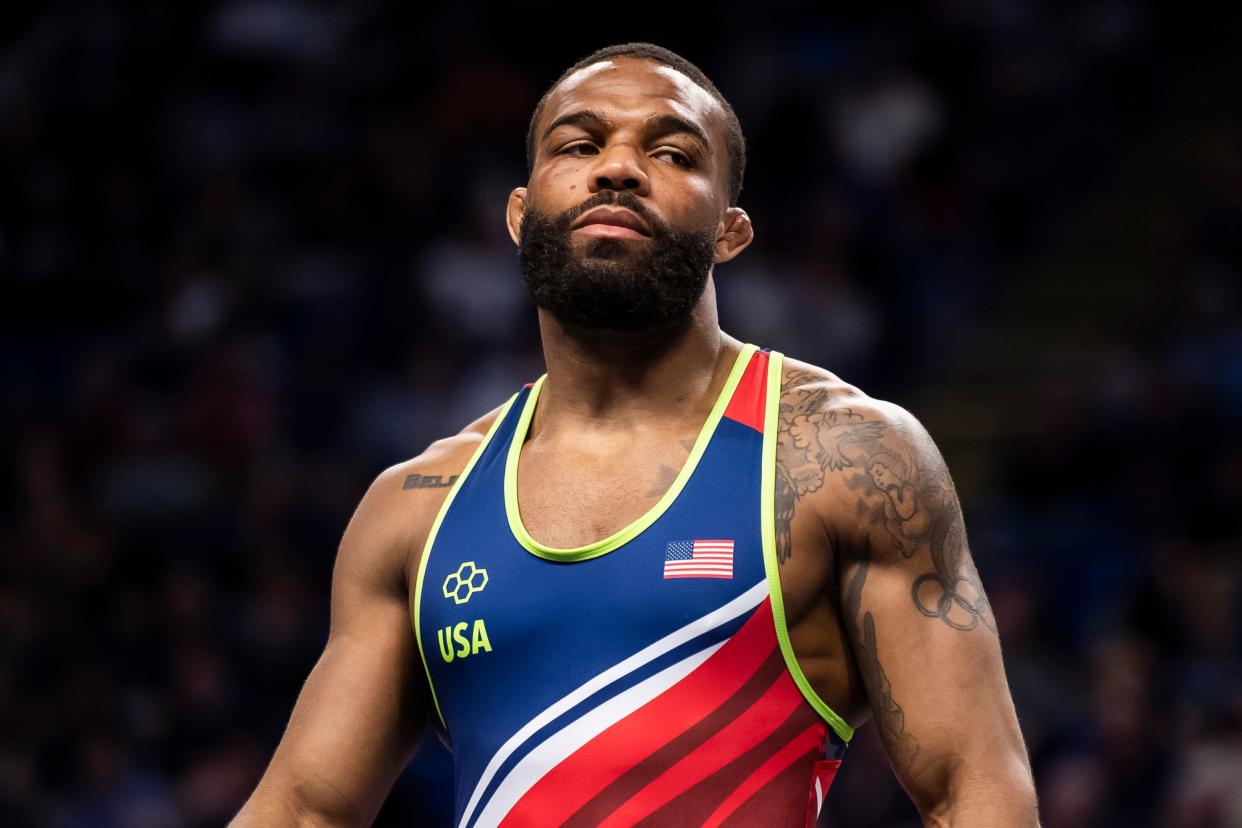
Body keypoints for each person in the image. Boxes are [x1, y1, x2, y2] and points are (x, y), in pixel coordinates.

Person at [232, 43, 1039, 827]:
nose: (617, 166)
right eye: (579, 144)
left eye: (674, 154)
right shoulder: (415, 510)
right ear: (520, 215)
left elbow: (972, 792)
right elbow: (305, 808)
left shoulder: (843, 461)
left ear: (731, 231)